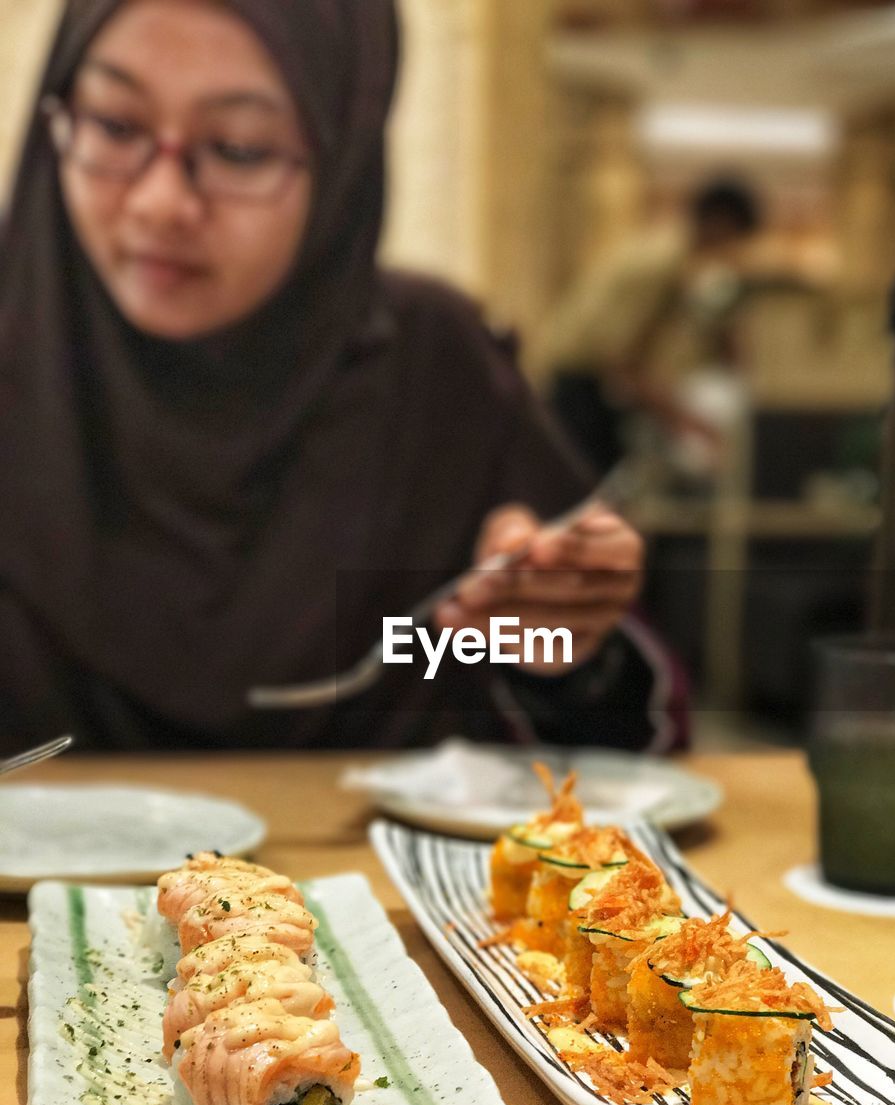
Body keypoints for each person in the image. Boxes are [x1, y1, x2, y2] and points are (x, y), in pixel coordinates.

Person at [0, 0, 685, 753]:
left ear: (344, 160)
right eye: (116, 126)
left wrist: (556, 650)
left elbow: (615, 747)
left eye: (237, 149)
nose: (161, 203)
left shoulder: (436, 375)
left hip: (374, 868)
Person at [544, 178, 763, 476]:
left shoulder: (667, 256)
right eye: (734, 241)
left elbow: (635, 357)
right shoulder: (662, 262)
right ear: (721, 223)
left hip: (586, 386)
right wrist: (684, 420)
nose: (731, 254)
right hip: (577, 387)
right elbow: (620, 364)